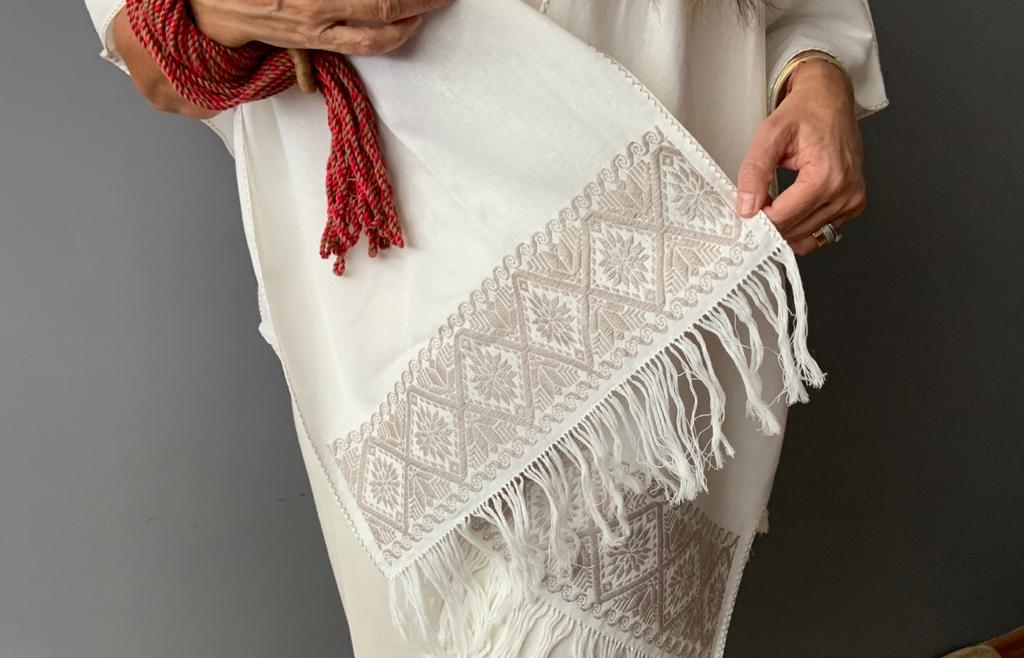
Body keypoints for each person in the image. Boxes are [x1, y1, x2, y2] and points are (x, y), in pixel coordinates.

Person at [83, 1, 887, 656]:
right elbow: (155, 55)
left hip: (647, 264)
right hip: (387, 304)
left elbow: (805, 14)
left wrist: (819, 74)